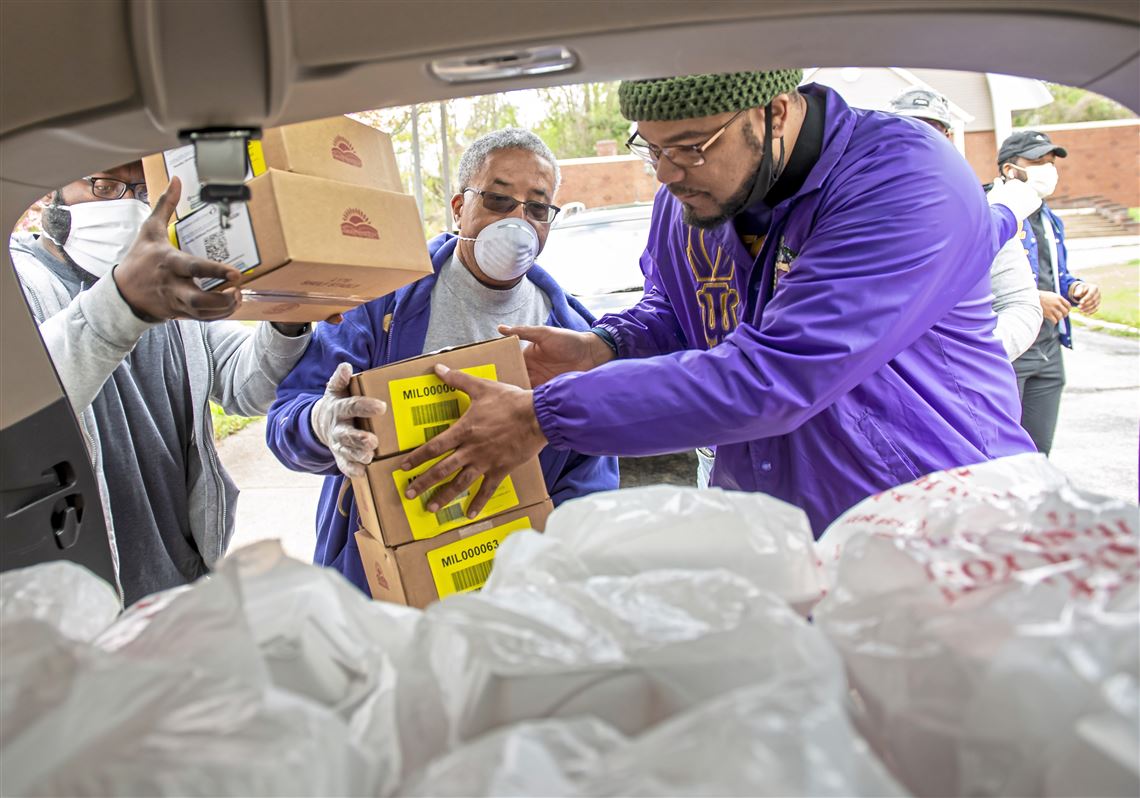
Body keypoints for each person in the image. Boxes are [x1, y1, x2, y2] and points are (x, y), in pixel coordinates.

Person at [395, 69, 1036, 539]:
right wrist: (605, 346)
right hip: (779, 531)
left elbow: (777, 375)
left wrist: (542, 416)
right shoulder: (691, 198)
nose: (669, 173)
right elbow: (680, 311)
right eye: (652, 150)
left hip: (934, 518)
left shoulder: (905, 182)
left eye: (691, 146)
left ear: (776, 112)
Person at [266, 128, 618, 593]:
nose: (517, 221)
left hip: (510, 585)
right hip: (380, 587)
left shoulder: (572, 335)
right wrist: (322, 425)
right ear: (458, 207)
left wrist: (547, 565)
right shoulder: (378, 306)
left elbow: (590, 476)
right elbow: (286, 419)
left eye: (537, 208)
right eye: (497, 200)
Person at [10, 161, 313, 604]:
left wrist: (289, 313)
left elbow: (247, 383)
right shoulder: (19, 281)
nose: (127, 204)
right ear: (48, 189)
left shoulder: (172, 290)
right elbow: (24, 406)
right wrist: (121, 303)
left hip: (179, 584)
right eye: (105, 184)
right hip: (81, 609)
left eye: (140, 189)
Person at [890, 87, 1044, 360]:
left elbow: (1020, 304)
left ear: (948, 138)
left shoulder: (980, 210)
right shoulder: (860, 210)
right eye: (908, 129)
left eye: (931, 130)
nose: (919, 140)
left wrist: (972, 356)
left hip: (964, 387)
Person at [997, 130, 1102, 455]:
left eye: (1050, 162)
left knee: (1038, 455)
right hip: (1011, 351)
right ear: (1009, 170)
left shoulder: (1047, 216)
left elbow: (1053, 272)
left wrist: (1074, 287)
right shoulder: (991, 209)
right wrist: (1031, 299)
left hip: (1049, 349)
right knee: (1001, 456)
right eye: (1037, 161)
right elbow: (977, 280)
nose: (1048, 169)